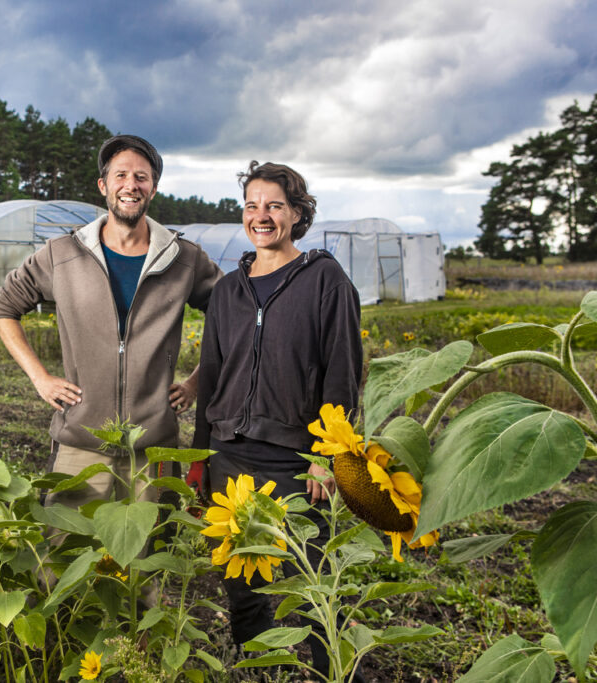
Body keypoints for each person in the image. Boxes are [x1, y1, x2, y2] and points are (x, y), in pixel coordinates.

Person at [189, 161, 363, 677]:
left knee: (308, 582)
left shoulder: (324, 280)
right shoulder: (227, 290)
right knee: (241, 580)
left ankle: (329, 670)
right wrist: (200, 458)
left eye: (274, 206)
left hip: (293, 459)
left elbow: (343, 374)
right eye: (251, 206)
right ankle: (262, 669)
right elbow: (212, 376)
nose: (260, 216)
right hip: (228, 452)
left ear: (297, 214)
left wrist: (329, 458)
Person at [0, 134, 222, 509]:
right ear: (104, 185)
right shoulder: (61, 255)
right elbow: (2, 309)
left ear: (154, 188)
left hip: (153, 448)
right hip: (80, 442)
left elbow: (232, 317)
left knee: (145, 562)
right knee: (61, 559)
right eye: (121, 175)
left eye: (142, 177)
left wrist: (195, 382)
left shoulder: (184, 259)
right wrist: (40, 378)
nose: (131, 185)